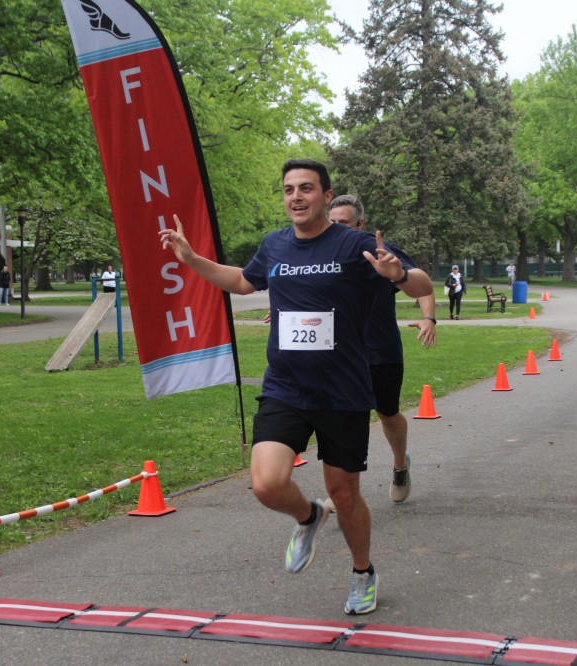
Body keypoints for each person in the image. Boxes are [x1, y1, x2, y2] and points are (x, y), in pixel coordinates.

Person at [159, 158, 433, 615]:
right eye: (289, 189)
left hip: (343, 391)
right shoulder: (275, 245)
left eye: (306, 188)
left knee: (345, 495)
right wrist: (192, 260)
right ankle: (309, 516)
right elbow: (242, 282)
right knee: (266, 484)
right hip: (286, 386)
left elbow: (422, 283)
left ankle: (363, 572)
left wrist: (398, 275)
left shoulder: (355, 244)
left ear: (326, 195)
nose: (296, 197)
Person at [327, 194, 437, 505]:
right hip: (342, 354)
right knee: (346, 419)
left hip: (380, 351)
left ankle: (400, 465)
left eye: (344, 223)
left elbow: (420, 282)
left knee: (387, 414)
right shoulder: (323, 255)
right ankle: (343, 489)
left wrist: (428, 318)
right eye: (332, 223)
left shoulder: (379, 251)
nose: (337, 229)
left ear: (360, 224)